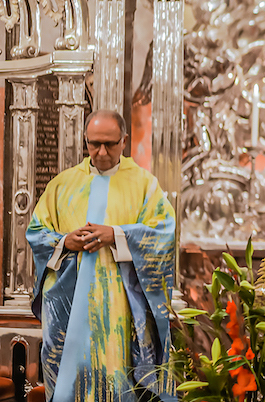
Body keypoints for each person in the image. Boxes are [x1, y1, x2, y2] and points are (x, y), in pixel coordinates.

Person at [26, 110, 176, 401]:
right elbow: (36, 232)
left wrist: (117, 235)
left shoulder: (144, 185)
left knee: (116, 382)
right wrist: (65, 241)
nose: (102, 152)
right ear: (85, 140)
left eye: (110, 144)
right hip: (71, 302)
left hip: (119, 306)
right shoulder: (63, 185)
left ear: (124, 141)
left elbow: (163, 234)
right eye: (94, 144)